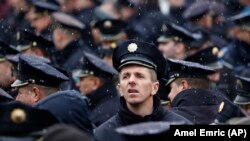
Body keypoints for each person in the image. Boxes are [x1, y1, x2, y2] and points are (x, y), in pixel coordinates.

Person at [94, 40, 192, 141]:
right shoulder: (104, 134)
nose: (131, 81)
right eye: (125, 76)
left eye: (139, 76)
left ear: (155, 87)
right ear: (120, 88)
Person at [166, 59, 225, 124]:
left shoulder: (170, 119)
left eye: (171, 88)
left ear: (183, 85)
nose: (169, 95)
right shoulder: (225, 114)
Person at [76, 51, 120, 127]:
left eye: (81, 79)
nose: (77, 84)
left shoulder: (104, 114)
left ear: (95, 83)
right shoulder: (105, 105)